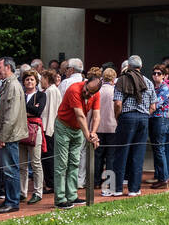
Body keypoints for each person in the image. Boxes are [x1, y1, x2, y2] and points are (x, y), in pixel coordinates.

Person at [52, 74, 101, 209]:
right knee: (62, 164)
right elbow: (80, 115)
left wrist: (93, 133)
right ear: (85, 82)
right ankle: (60, 198)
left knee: (74, 162)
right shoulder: (74, 89)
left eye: (90, 93)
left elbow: (96, 115)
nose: (87, 93)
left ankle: (72, 195)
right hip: (63, 126)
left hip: (78, 129)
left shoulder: (96, 95)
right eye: (86, 90)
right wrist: (89, 137)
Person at [110, 55, 155, 196]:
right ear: (141, 67)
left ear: (128, 66)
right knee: (138, 154)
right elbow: (153, 106)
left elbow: (117, 103)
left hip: (127, 117)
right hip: (143, 118)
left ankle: (117, 189)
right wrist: (144, 114)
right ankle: (134, 189)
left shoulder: (122, 80)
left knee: (121, 153)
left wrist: (118, 116)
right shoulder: (148, 82)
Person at [0, 57, 28, 213]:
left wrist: (3, 136)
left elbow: (11, 115)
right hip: (8, 135)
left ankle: (12, 202)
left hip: (9, 136)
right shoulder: (9, 84)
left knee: (10, 169)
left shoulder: (12, 85)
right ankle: (9, 199)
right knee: (8, 169)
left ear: (7, 67)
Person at [18, 66, 46, 205]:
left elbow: (38, 111)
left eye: (32, 79)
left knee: (36, 162)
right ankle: (22, 193)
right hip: (20, 130)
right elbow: (17, 112)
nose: (29, 82)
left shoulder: (41, 95)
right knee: (22, 164)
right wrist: (31, 108)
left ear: (36, 82)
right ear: (23, 82)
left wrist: (25, 109)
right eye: (27, 79)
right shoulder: (20, 94)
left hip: (35, 130)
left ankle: (38, 192)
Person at [149, 64, 169, 189]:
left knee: (159, 148)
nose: (156, 75)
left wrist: (145, 112)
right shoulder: (153, 88)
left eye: (159, 73)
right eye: (154, 73)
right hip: (154, 120)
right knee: (157, 149)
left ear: (164, 75)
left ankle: (164, 178)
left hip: (160, 119)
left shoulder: (164, 89)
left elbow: (156, 104)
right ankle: (160, 176)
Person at [40, 68, 62, 194]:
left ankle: (51, 184)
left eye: (42, 78)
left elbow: (51, 111)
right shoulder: (50, 90)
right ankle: (50, 182)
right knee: (47, 157)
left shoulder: (51, 91)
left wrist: (48, 129)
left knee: (48, 157)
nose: (40, 81)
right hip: (48, 127)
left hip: (49, 128)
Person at [95, 68, 118, 186]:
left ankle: (96, 181)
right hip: (112, 126)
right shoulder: (115, 91)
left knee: (98, 155)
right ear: (113, 78)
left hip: (98, 126)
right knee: (111, 156)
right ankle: (110, 182)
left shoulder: (97, 91)